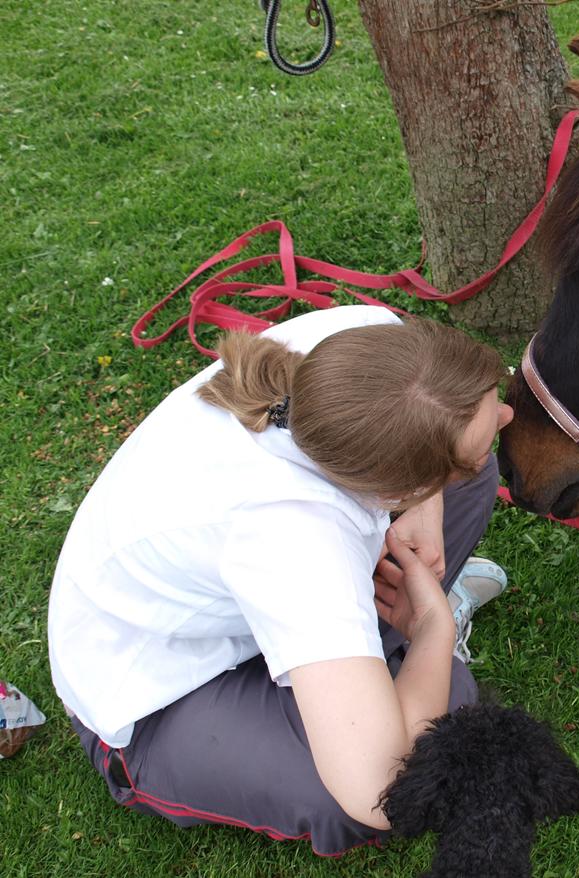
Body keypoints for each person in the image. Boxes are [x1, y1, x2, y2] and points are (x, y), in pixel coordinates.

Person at [47, 304, 515, 855]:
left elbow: (438, 441)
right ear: (393, 489)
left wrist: (428, 502)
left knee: (471, 477)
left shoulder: (366, 338)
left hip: (255, 590)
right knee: (419, 743)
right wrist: (434, 628)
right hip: (157, 695)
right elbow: (382, 791)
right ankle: (379, 665)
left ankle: (357, 672)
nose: (508, 417)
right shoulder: (294, 538)